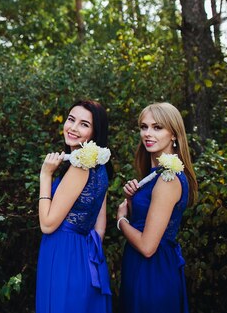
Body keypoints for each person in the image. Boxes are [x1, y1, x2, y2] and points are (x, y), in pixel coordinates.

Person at [117, 102, 197, 313]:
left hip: (152, 273)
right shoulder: (157, 174)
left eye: (157, 127)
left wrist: (121, 220)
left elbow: (147, 246)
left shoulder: (168, 178)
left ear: (174, 134)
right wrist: (133, 200)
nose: (148, 133)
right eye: (144, 127)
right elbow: (146, 222)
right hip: (140, 269)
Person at [36, 99, 113, 313]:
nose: (73, 128)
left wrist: (45, 175)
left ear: (94, 133)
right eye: (71, 120)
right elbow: (100, 228)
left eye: (84, 124)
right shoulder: (100, 166)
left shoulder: (80, 168)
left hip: (63, 253)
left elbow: (48, 224)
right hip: (86, 255)